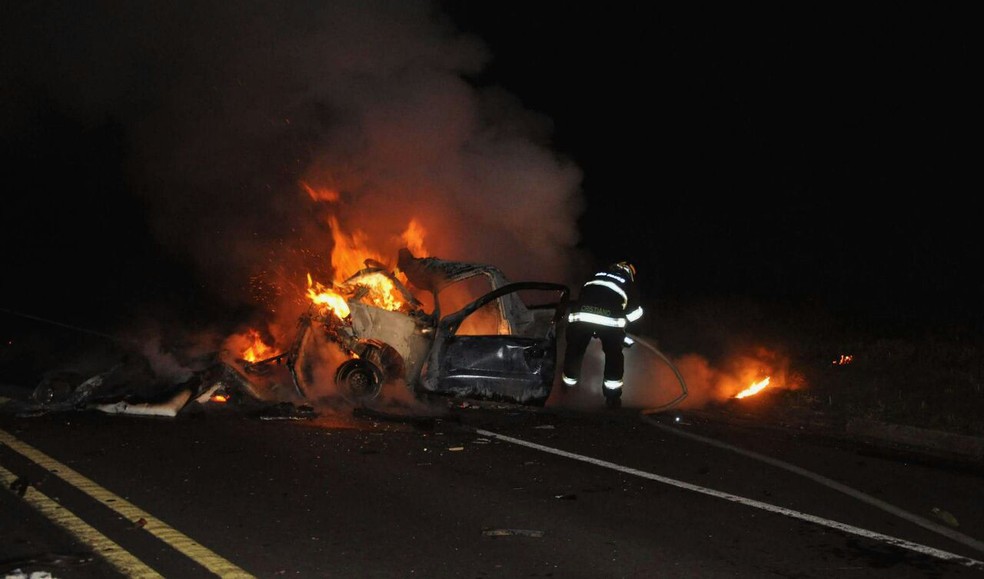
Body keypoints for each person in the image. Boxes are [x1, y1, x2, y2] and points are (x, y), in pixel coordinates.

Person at [561, 261, 644, 408]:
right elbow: (635, 313)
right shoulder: (627, 282)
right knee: (614, 356)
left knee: (575, 352)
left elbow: (583, 296)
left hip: (580, 318)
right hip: (610, 322)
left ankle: (567, 391)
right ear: (629, 273)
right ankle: (612, 399)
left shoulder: (595, 276)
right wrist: (625, 328)